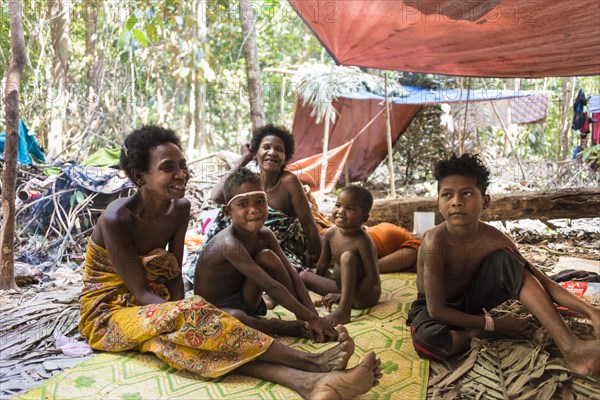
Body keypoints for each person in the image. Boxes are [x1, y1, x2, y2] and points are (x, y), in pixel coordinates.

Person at [78, 125, 382, 399]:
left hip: (158, 302)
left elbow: (172, 268)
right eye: (168, 168)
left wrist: (185, 309)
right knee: (196, 324)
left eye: (183, 165)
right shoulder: (117, 219)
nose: (182, 174)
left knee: (195, 340)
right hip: (111, 312)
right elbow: (142, 293)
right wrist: (186, 312)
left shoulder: (180, 207)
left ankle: (308, 383)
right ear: (139, 176)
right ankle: (311, 363)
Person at [407, 153, 600, 375]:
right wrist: (494, 325)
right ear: (439, 203)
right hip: (435, 308)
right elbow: (437, 309)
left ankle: (572, 347)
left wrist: (591, 311)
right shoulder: (435, 243)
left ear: (485, 201)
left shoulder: (495, 239)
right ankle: (483, 333)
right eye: (447, 195)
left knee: (508, 259)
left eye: (467, 193)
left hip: (474, 299)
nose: (456, 201)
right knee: (428, 342)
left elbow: (541, 281)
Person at [194, 168, 338, 341]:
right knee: (237, 319)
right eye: (243, 204)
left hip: (244, 299)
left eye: (260, 201)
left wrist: (313, 316)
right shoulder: (229, 244)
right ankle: (276, 326)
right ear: (227, 212)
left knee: (267, 257)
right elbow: (270, 286)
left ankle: (302, 321)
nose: (253, 210)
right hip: (216, 310)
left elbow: (292, 274)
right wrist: (313, 319)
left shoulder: (265, 234)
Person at [202, 124, 322, 273]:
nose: (272, 153)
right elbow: (217, 196)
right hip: (248, 245)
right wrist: (245, 158)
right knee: (226, 212)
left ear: (285, 157)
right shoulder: (251, 182)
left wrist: (321, 264)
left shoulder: (289, 182)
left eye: (279, 149)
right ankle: (202, 268)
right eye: (266, 147)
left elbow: (309, 224)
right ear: (255, 153)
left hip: (281, 250)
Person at [300, 185, 382, 325]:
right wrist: (321, 288)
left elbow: (372, 279)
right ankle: (334, 302)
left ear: (364, 217)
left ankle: (344, 311)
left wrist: (342, 297)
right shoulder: (330, 234)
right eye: (338, 205)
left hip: (364, 295)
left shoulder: (363, 240)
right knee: (303, 275)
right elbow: (322, 266)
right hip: (342, 288)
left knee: (347, 257)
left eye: (349, 208)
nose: (340, 211)